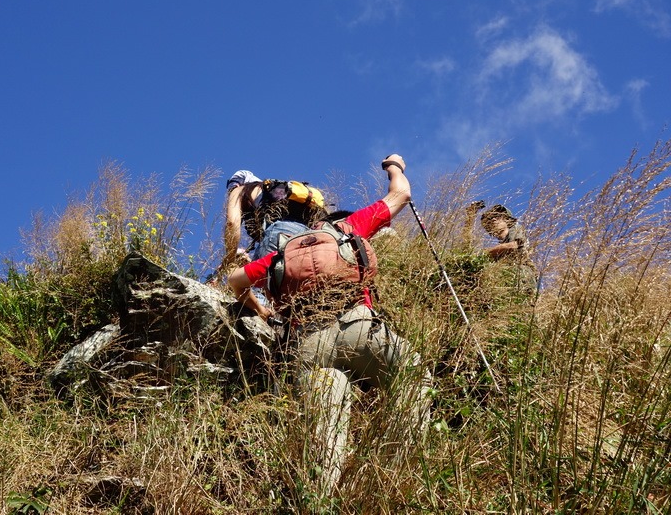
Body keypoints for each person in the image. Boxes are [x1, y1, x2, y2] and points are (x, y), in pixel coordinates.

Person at [227, 155, 431, 493]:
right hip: (360, 327)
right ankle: (386, 482)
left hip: (307, 342)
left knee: (325, 423)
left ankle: (319, 496)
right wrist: (394, 166)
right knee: (412, 376)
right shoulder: (347, 228)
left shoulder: (279, 255)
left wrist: (262, 312)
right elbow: (402, 195)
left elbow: (235, 282)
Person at [214, 169, 323, 278]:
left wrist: (230, 262)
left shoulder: (240, 190)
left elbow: (232, 224)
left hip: (279, 234)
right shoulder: (276, 194)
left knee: (263, 287)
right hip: (310, 239)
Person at [480, 204, 538, 295]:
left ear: (507, 219)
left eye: (497, 216)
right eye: (490, 220)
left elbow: (514, 245)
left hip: (522, 276)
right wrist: (470, 218)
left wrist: (486, 252)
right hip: (508, 281)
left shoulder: (516, 229)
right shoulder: (499, 248)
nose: (494, 220)